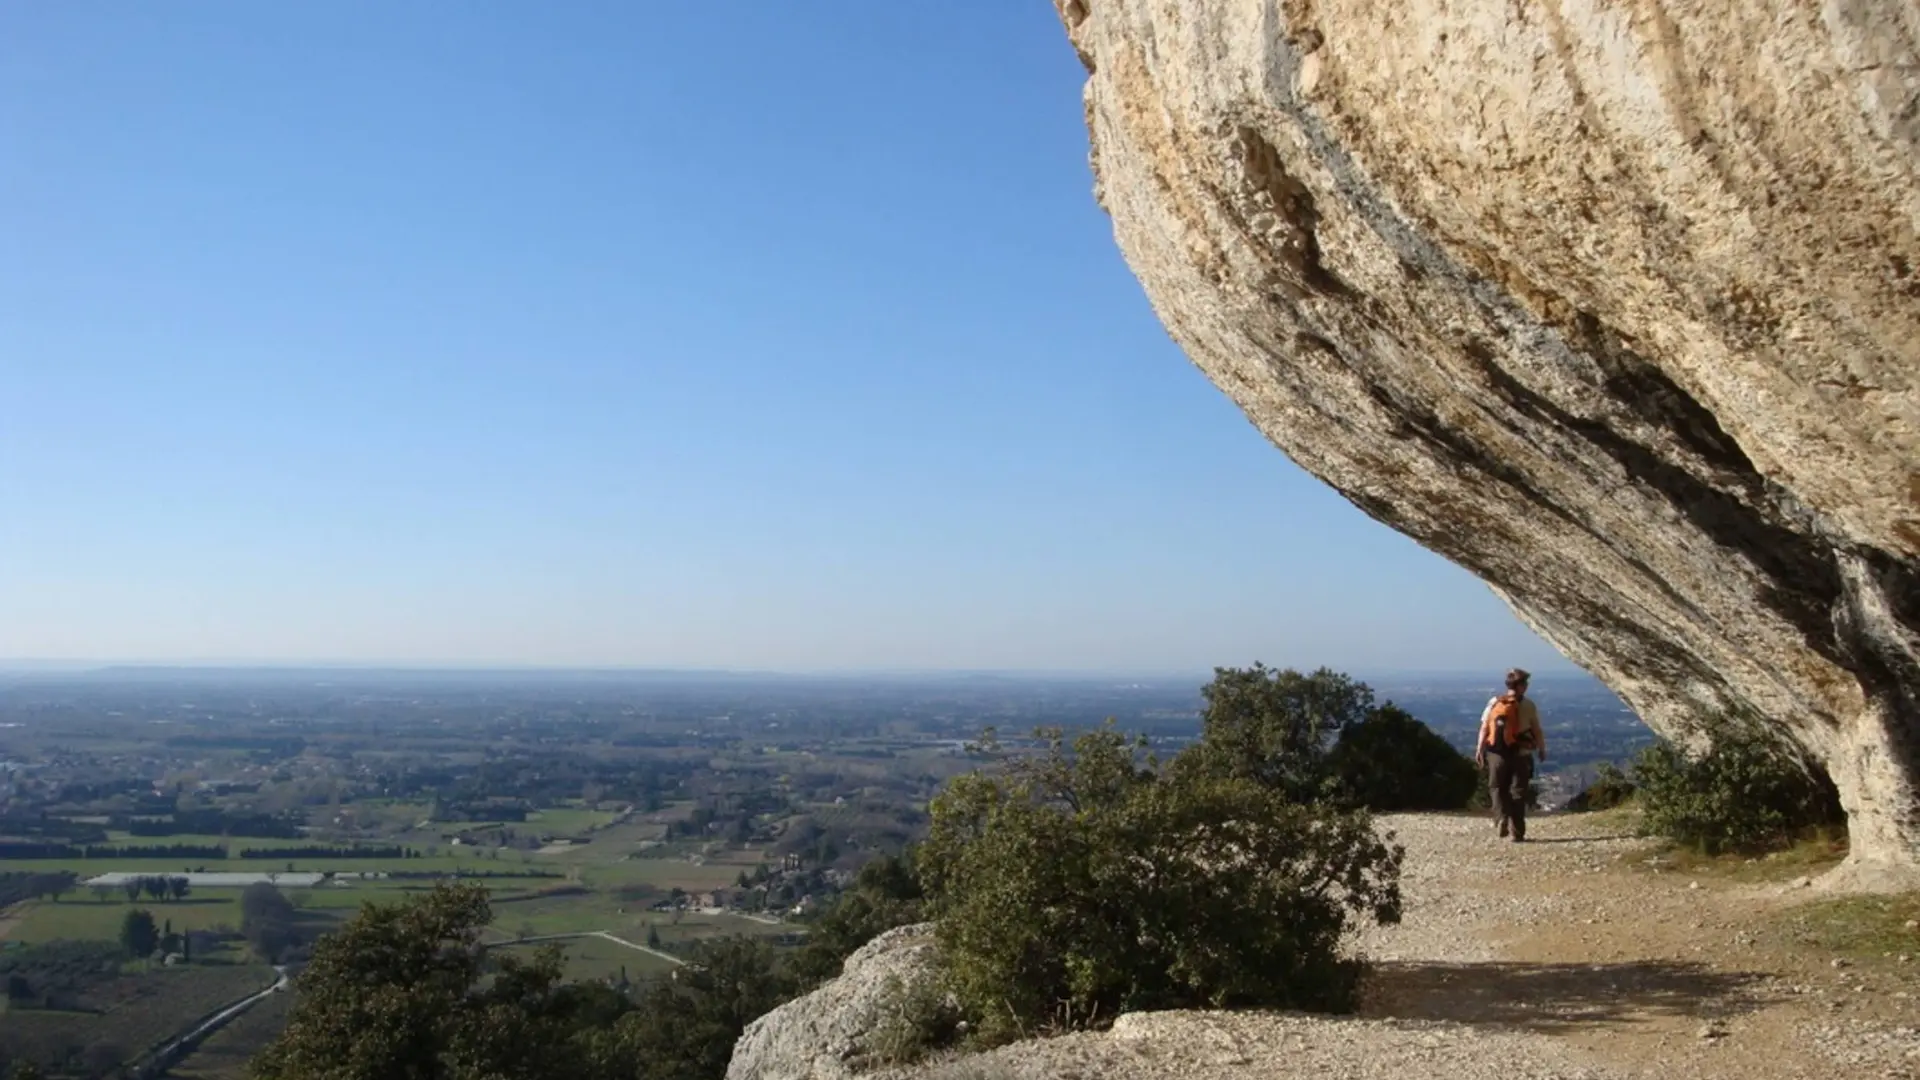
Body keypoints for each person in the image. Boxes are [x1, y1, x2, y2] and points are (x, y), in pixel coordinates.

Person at [1474, 668, 1546, 842]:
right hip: (1521, 753)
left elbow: (1484, 727)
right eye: (1525, 683)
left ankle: (1501, 817)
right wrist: (1542, 748)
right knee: (1518, 792)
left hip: (1497, 753)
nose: (1527, 686)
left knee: (1496, 787)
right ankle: (1517, 832)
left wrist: (1479, 749)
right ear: (1520, 686)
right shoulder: (1528, 705)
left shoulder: (1494, 702)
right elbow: (1536, 729)